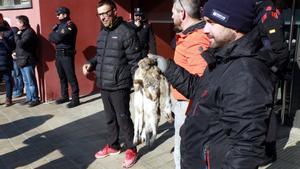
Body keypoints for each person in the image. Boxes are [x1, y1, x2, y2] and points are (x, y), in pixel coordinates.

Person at [150, 0, 277, 168]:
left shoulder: (245, 74)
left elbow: (246, 152)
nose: (205, 29)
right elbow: (201, 91)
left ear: (234, 26)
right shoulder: (223, 58)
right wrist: (167, 67)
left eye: (211, 22)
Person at [82, 0, 142, 168]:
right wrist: (91, 64)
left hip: (120, 84)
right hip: (104, 82)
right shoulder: (103, 32)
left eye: (106, 13)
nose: (103, 17)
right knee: (109, 118)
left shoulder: (126, 32)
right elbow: (101, 55)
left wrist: (138, 85)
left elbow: (135, 62)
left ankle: (132, 149)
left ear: (114, 11)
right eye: (100, 14)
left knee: (123, 118)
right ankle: (113, 146)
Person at [169, 1, 209, 169]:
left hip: (188, 107)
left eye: (173, 12)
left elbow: (202, 86)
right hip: (182, 104)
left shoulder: (196, 39)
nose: (171, 16)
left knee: (184, 153)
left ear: (182, 14)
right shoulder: (188, 35)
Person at [49, 7, 80, 108]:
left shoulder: (70, 25)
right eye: (57, 14)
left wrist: (56, 36)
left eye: (59, 14)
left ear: (65, 14)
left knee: (71, 77)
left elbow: (57, 38)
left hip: (67, 54)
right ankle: (65, 96)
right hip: (58, 54)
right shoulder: (58, 26)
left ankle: (75, 99)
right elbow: (50, 37)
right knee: (62, 77)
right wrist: (56, 35)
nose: (57, 16)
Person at [14, 15, 40, 107]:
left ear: (22, 23)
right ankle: (29, 98)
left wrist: (17, 35)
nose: (16, 24)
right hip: (21, 60)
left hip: (28, 60)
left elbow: (20, 44)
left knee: (31, 81)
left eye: (17, 22)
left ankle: (35, 99)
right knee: (26, 81)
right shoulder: (22, 32)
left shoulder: (29, 32)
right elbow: (18, 46)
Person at [0, 13, 14, 106]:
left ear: (1, 19)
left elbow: (11, 47)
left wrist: (3, 39)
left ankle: (8, 98)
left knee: (8, 79)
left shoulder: (9, 31)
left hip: (5, 59)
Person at [11, 26, 24, 98]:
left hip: (16, 58)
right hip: (12, 58)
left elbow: (18, 47)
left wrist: (14, 52)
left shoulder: (18, 38)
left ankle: (19, 90)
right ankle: (16, 89)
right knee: (13, 75)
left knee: (18, 74)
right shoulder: (12, 38)